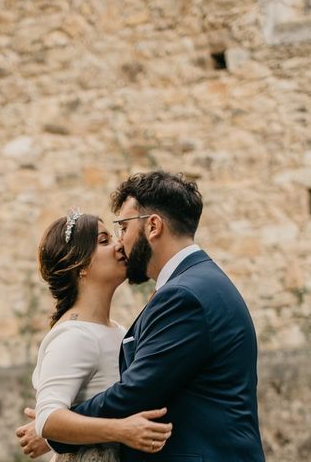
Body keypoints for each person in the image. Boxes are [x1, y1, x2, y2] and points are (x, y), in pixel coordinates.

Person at [43, 171, 266, 461]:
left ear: (153, 226)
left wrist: (59, 429)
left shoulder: (184, 296)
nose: (120, 243)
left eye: (123, 228)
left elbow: (136, 393)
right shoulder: (197, 283)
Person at [16, 210, 173, 461]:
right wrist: (122, 430)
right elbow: (47, 418)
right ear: (79, 266)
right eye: (104, 241)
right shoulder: (74, 336)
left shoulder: (118, 331)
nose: (119, 244)